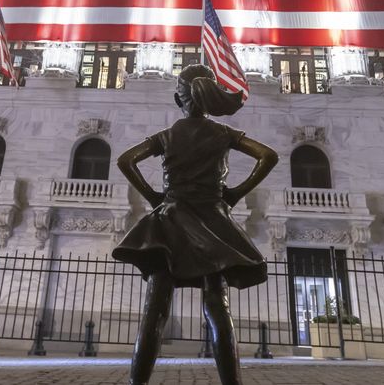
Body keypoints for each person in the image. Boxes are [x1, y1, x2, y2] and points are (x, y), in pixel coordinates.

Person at [112, 64, 278, 385]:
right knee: (217, 308)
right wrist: (235, 193)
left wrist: (153, 196)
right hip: (213, 222)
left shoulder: (168, 135)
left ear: (179, 98)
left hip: (170, 221)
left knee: (155, 310)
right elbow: (268, 156)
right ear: (209, 95)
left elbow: (125, 160)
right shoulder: (223, 133)